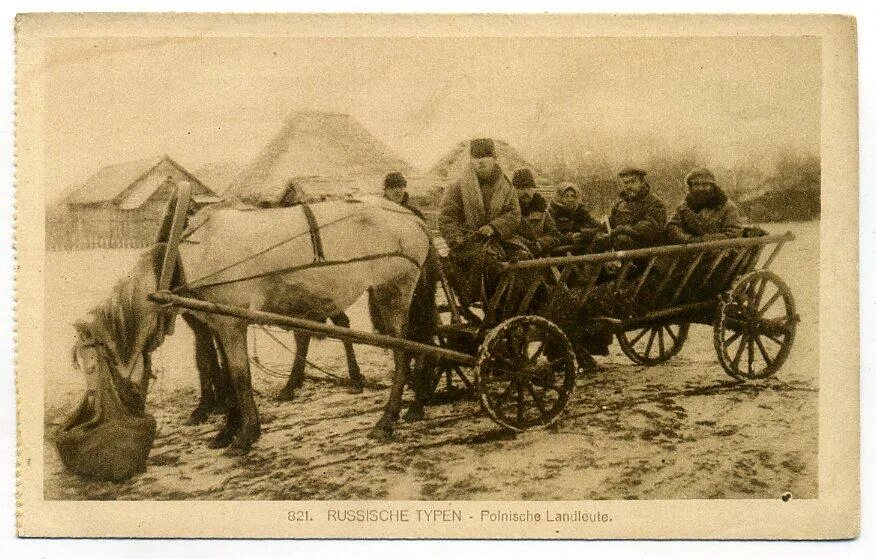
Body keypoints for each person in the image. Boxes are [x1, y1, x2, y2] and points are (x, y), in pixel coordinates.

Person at [437, 138, 521, 304]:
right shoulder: (458, 187)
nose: (481, 161)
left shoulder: (507, 187)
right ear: (471, 160)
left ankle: (513, 307)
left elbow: (514, 214)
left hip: (501, 240)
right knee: (490, 264)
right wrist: (456, 239)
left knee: (524, 262)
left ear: (494, 158)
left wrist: (494, 227)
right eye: (476, 157)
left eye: (486, 156)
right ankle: (491, 305)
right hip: (467, 243)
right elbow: (447, 217)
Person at [592, 167, 667, 252]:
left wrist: (623, 230)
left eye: (633, 182)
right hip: (622, 247)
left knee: (622, 240)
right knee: (596, 241)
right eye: (626, 183)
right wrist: (601, 232)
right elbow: (611, 222)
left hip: (647, 251)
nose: (629, 186)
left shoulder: (655, 203)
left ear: (642, 182)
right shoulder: (620, 204)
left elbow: (649, 228)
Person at [665, 167, 746, 244]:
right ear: (690, 187)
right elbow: (672, 227)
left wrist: (703, 241)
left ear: (712, 187)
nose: (700, 188)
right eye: (696, 184)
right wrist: (688, 240)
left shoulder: (727, 207)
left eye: (705, 185)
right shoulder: (683, 207)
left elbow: (734, 233)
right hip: (690, 255)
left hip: (722, 255)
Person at [511, 168, 563, 257]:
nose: (526, 192)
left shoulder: (542, 212)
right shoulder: (507, 212)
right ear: (513, 190)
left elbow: (555, 236)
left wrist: (540, 244)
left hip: (538, 262)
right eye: (521, 188)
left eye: (530, 188)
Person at [548, 181, 601, 250]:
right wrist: (570, 237)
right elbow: (552, 235)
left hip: (581, 249)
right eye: (566, 196)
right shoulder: (552, 212)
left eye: (573, 196)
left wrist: (584, 233)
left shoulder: (581, 211)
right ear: (559, 198)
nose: (570, 199)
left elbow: (597, 226)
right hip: (559, 251)